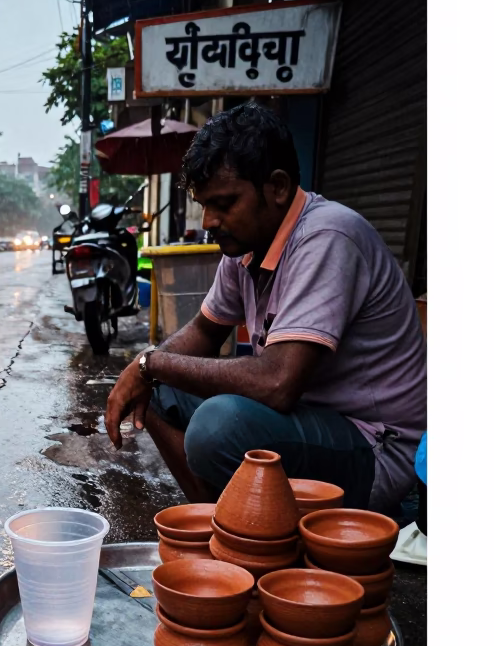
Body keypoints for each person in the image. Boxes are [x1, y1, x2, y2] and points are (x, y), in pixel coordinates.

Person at [105, 102, 426, 515]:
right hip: (310, 422)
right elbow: (204, 331)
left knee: (216, 426)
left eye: (224, 203)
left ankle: (246, 533)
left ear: (277, 187)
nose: (209, 220)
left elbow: (277, 382)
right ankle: (216, 523)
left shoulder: (327, 236)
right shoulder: (246, 249)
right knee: (161, 384)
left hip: (377, 447)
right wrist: (144, 368)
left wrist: (151, 363)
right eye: (204, 204)